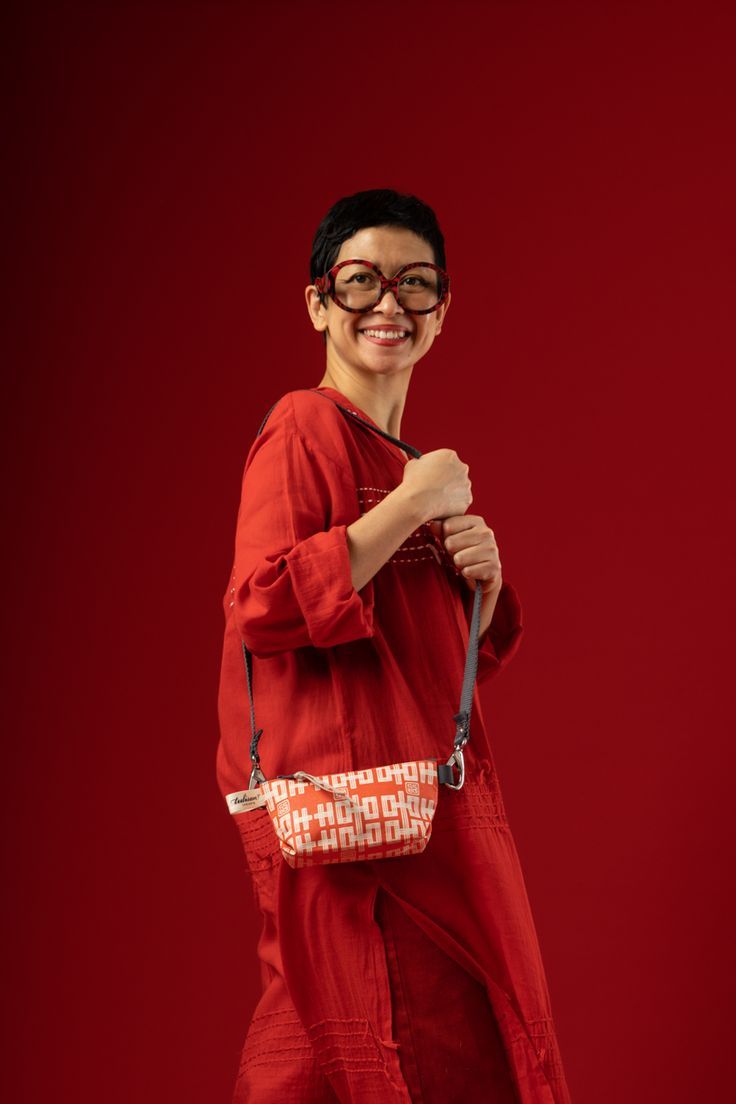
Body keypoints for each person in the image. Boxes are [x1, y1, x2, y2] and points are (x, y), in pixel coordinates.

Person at [215, 188, 572, 1103]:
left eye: (415, 285)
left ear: (441, 310)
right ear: (318, 302)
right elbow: (262, 603)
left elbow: (427, 661)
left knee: (346, 1053)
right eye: (362, 281)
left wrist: (481, 590)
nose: (389, 305)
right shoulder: (306, 425)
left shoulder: (396, 458)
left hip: (415, 821)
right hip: (357, 835)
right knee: (386, 1046)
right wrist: (412, 505)